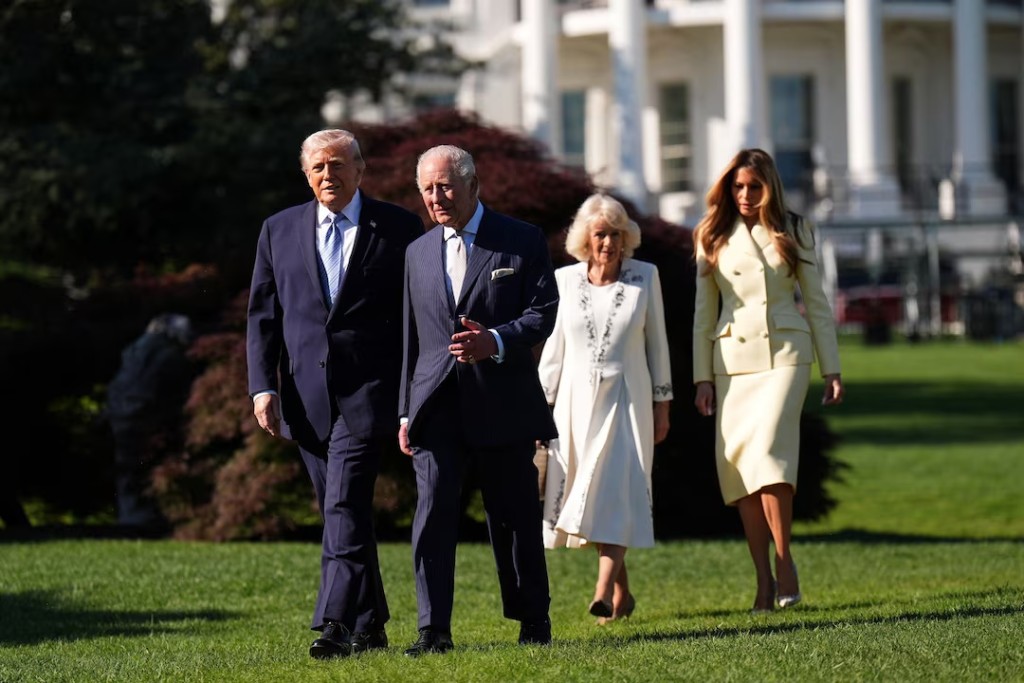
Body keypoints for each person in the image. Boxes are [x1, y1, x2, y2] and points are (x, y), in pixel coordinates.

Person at [246, 129, 422, 659]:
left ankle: (336, 623)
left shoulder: (397, 227)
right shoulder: (278, 230)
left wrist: (413, 393)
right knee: (341, 512)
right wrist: (261, 386)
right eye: (319, 167)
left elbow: (416, 316)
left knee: (344, 501)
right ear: (305, 173)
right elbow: (262, 315)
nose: (329, 175)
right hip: (304, 397)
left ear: (360, 170)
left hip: (369, 393)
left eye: (339, 165)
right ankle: (373, 626)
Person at [398, 144, 558, 655]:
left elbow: (543, 312)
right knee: (431, 518)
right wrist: (406, 410)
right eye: (427, 189)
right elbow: (411, 339)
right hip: (435, 407)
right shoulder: (417, 252)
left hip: (502, 403)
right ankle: (432, 630)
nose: (435, 197)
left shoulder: (520, 239)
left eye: (445, 186)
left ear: (473, 185)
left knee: (512, 519)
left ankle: (533, 620)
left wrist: (495, 340)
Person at [692, 148, 844, 613]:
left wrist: (831, 367)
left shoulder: (796, 229)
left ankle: (785, 562)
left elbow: (816, 302)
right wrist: (702, 378)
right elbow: (703, 314)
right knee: (740, 470)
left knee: (770, 456)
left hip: (786, 355)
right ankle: (763, 581)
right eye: (737, 187)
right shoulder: (711, 234)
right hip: (733, 362)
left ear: (770, 187)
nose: (744, 195)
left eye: (753, 187)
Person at [537, 193, 673, 624]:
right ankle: (624, 594)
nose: (609, 243)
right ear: (585, 238)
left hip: (628, 402)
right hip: (574, 407)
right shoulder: (564, 281)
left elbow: (659, 347)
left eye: (616, 234)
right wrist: (540, 408)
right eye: (601, 234)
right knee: (589, 498)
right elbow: (553, 352)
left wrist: (663, 403)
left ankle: (602, 592)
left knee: (615, 490)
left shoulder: (645, 277)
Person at [107, 313, 194, 531]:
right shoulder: (167, 353)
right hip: (145, 415)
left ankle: (131, 517)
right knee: (146, 469)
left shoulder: (136, 350)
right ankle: (143, 518)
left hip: (121, 414)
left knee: (128, 470)